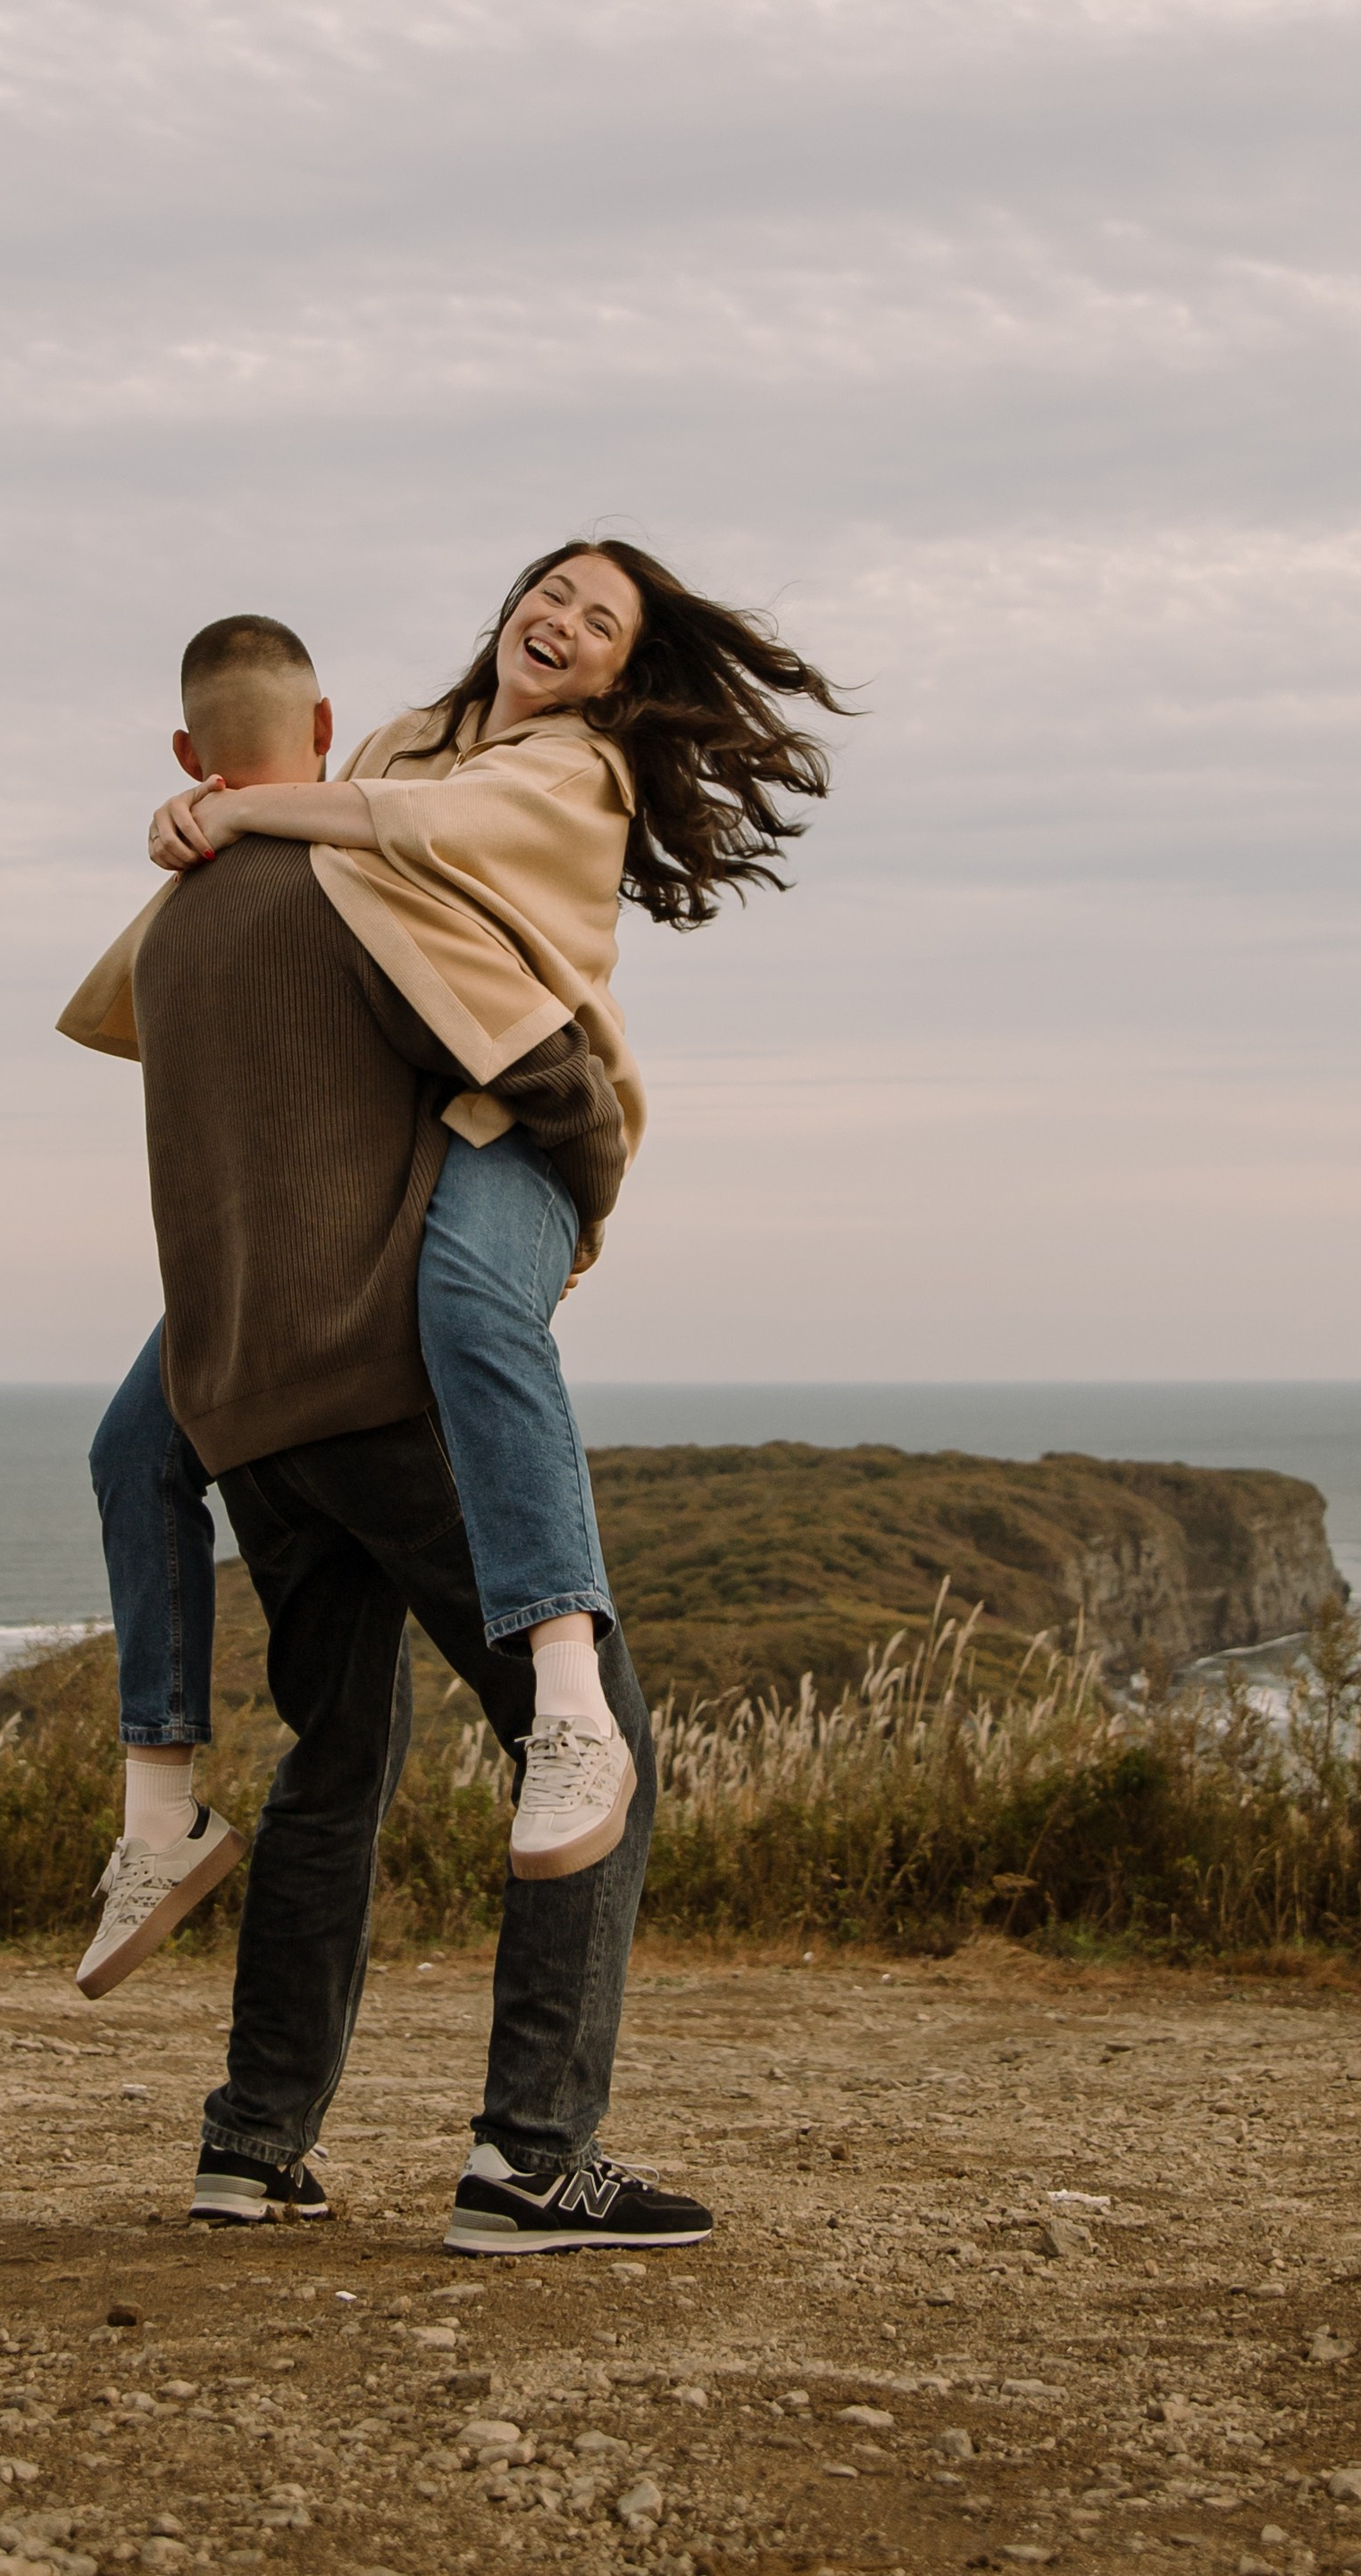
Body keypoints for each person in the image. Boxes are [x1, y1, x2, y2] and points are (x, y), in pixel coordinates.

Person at [60, 541, 843, 1989]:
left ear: (618, 670)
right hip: (404, 1130)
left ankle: (569, 1706)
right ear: (512, 608)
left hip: (524, 1119)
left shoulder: (576, 769)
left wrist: (230, 806)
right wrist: (211, 840)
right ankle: (158, 1809)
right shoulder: (402, 739)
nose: (564, 623)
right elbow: (320, 896)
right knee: (132, 1444)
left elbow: (405, 832)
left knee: (471, 1306)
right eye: (553, 595)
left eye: (600, 622)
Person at [106, 735, 714, 2248]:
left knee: (334, 1760)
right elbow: (537, 1068)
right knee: (590, 1740)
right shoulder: (361, 879)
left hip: (256, 1421)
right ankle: (531, 2160)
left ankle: (251, 2146)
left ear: (194, 753)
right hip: (390, 1393)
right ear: (320, 738)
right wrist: (578, 1185)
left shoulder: (179, 925)